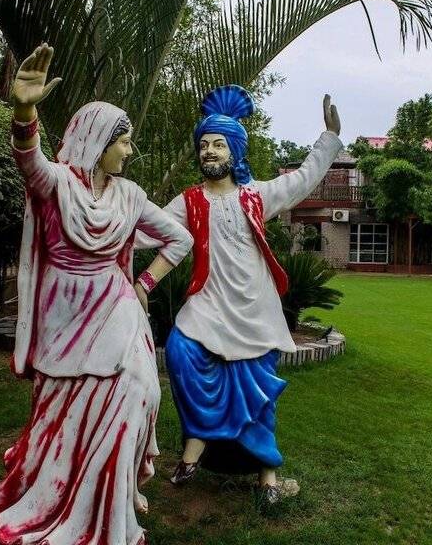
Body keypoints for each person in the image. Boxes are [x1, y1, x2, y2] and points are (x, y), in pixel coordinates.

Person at [0, 43, 193, 545]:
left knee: (141, 392)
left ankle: (109, 505)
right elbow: (29, 161)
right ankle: (58, 499)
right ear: (98, 141)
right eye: (124, 142)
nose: (129, 152)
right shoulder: (58, 185)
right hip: (64, 315)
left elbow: (180, 239)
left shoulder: (129, 196)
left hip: (116, 308)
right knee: (63, 414)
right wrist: (24, 112)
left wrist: (142, 284)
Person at [138, 84, 342, 504]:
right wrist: (97, 221)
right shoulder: (188, 202)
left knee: (258, 393)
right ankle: (196, 444)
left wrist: (329, 138)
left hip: (254, 311)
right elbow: (146, 229)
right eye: (204, 145)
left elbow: (303, 180)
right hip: (207, 306)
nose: (209, 152)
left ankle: (268, 479)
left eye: (218, 144)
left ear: (235, 151)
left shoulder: (256, 196)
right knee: (180, 352)